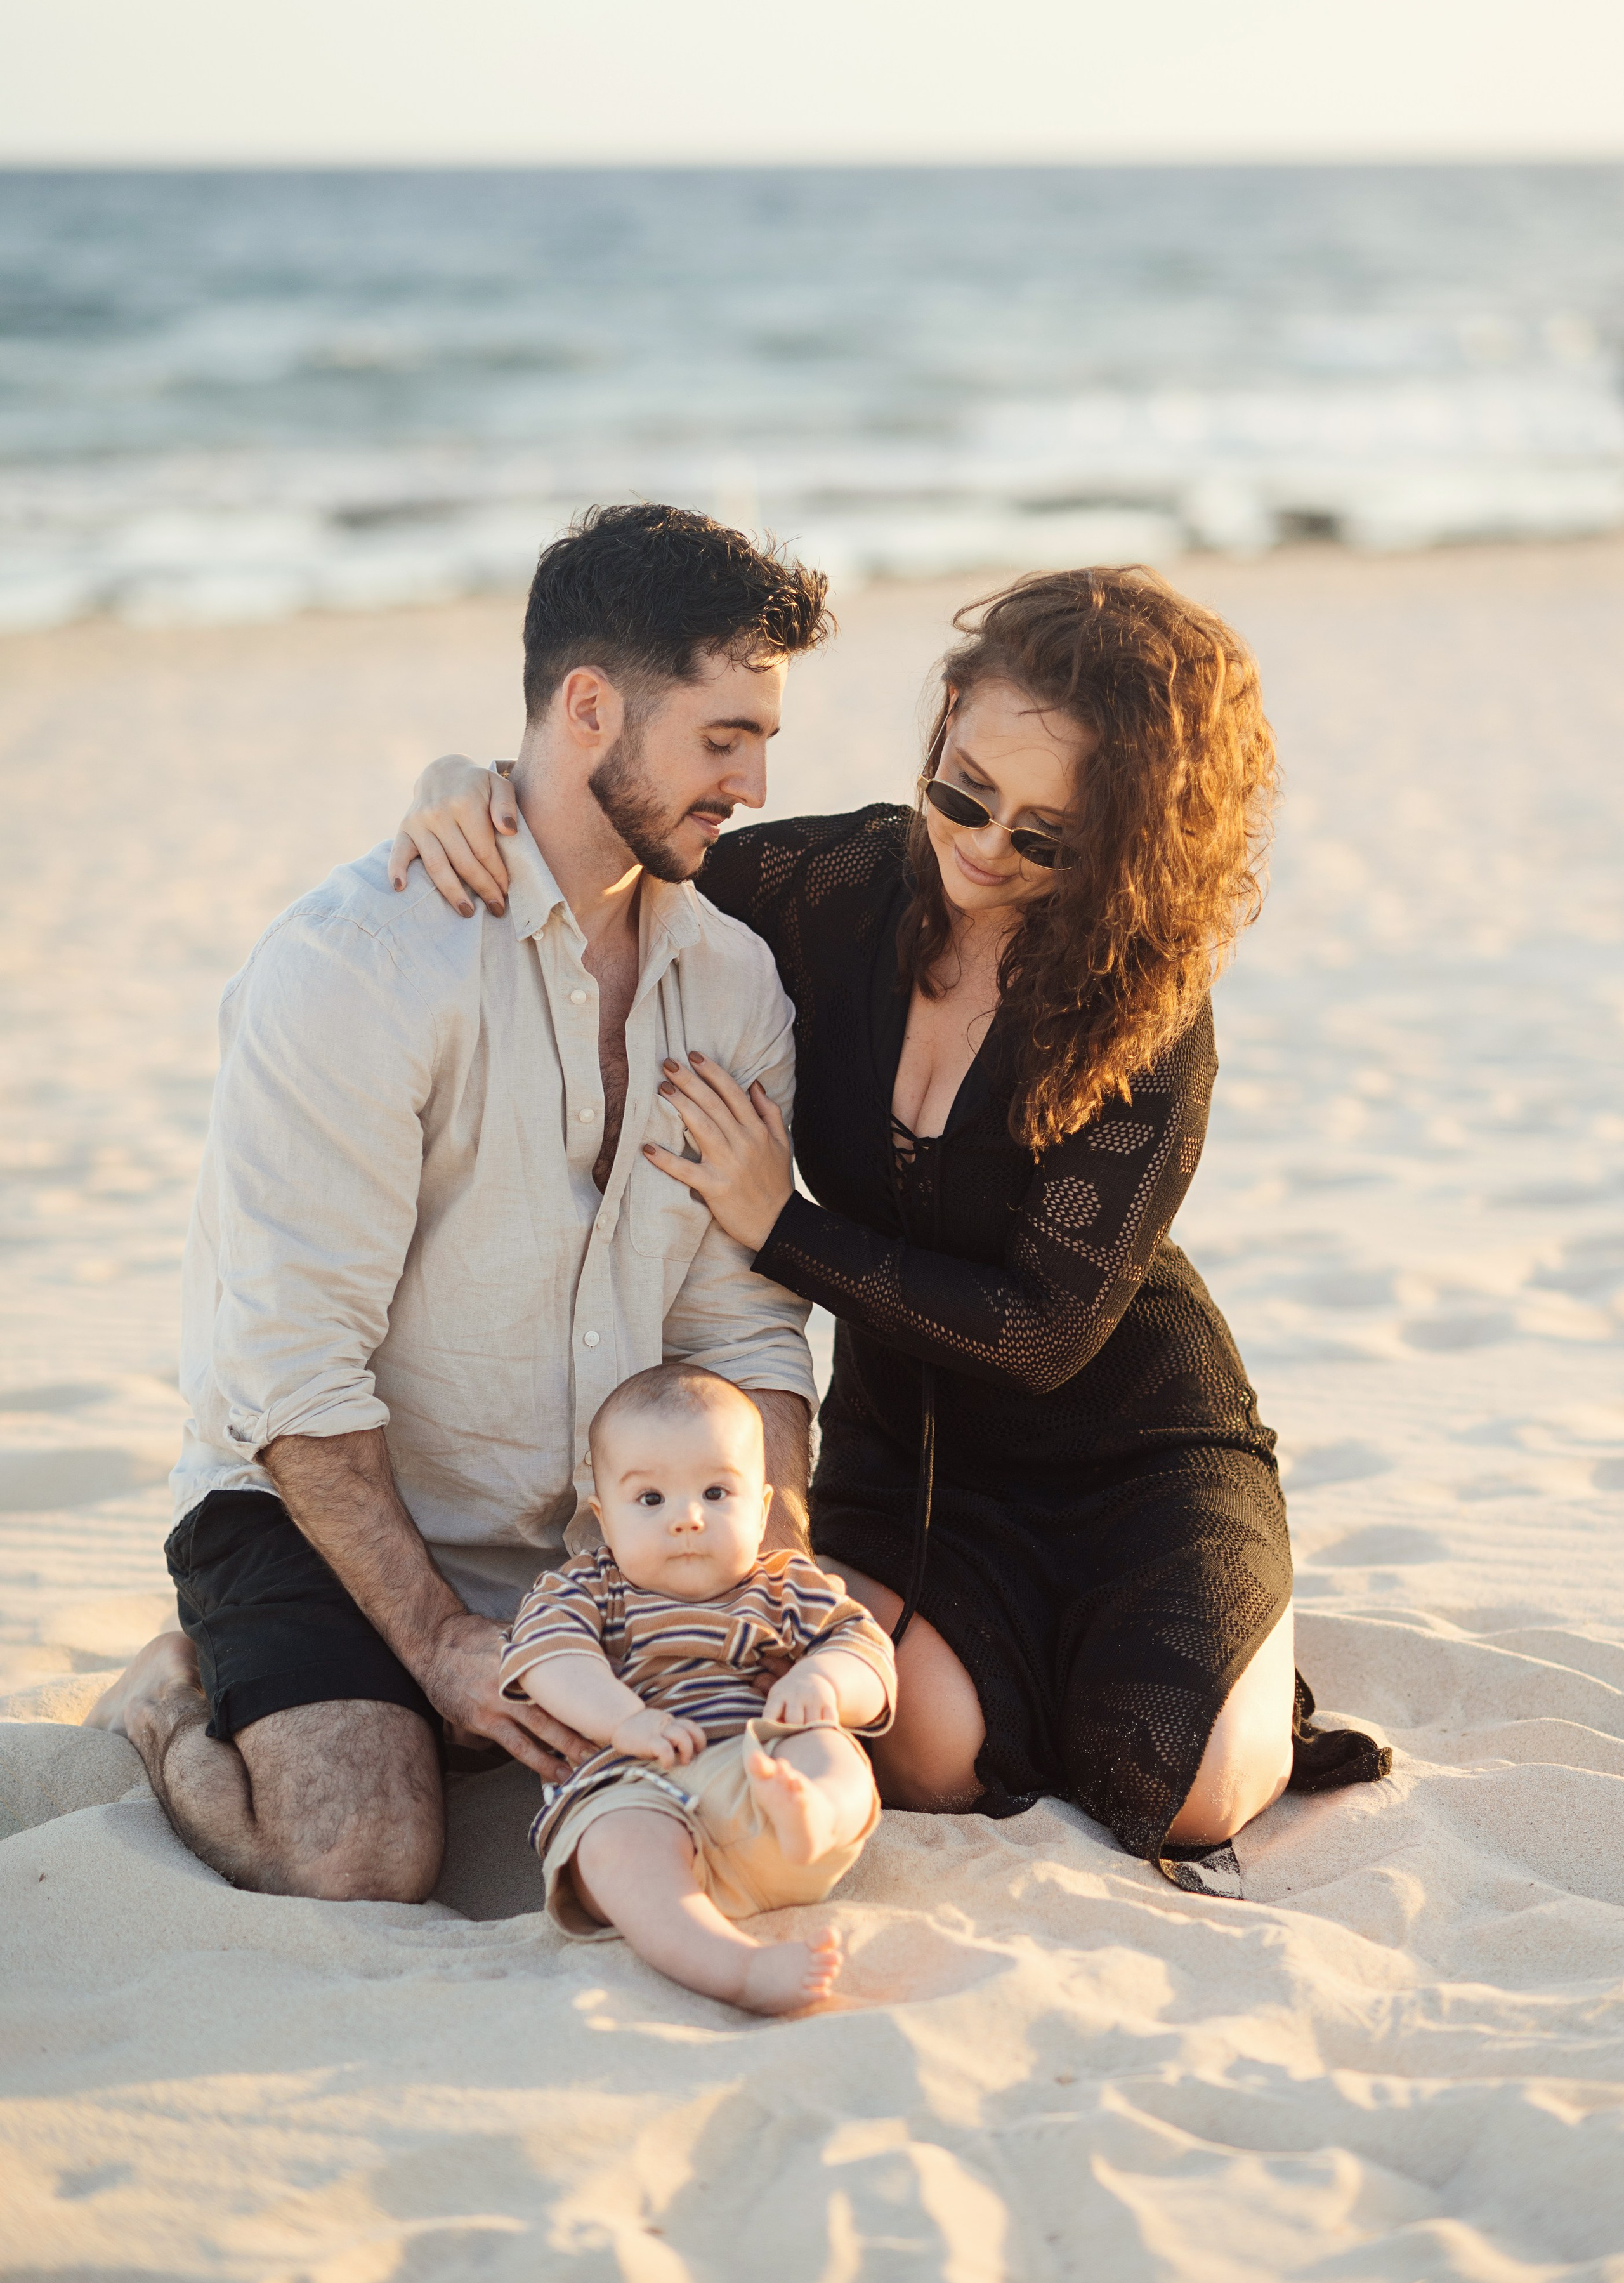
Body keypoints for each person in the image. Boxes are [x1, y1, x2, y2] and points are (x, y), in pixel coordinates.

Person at [394, 562, 1389, 1898]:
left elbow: (1041, 1333)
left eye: (1047, 838)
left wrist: (782, 1227)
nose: (984, 848)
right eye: (961, 793)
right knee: (927, 1756)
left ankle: (1236, 1663)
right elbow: (626, 838)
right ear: (943, 728)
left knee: (1180, 1790)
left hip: (1131, 1444)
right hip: (910, 1446)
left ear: (1126, 844)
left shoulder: (1146, 1010)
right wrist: (465, 784)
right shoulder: (834, 885)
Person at [88, 503, 834, 1905]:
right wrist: (437, 1642)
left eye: (762, 741)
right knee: (358, 1853)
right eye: (722, 739)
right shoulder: (361, 965)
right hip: (314, 1503)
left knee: (789, 1793)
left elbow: (739, 1332)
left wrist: (767, 1576)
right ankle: (163, 1701)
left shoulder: (734, 981)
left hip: (602, 1529)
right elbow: (290, 1367)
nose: (750, 783)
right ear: (590, 708)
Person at [504, 1364, 895, 2013]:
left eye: (715, 1493)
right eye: (650, 1499)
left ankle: (814, 1817)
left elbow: (866, 1648)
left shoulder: (783, 1586)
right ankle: (736, 1966)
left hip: (760, 1778)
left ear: (762, 1509)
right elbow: (549, 1657)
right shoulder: (589, 1588)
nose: (687, 1518)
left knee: (828, 1751)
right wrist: (622, 1720)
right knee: (613, 1846)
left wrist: (822, 1678)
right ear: (604, 1519)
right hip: (640, 1785)